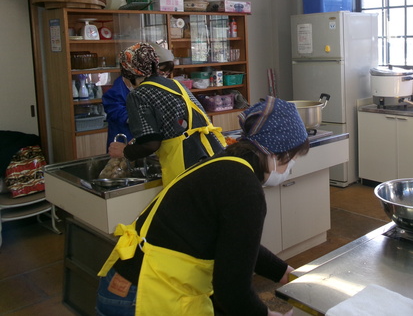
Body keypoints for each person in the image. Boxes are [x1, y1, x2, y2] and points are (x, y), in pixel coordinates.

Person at [96, 96, 310, 316]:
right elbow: (232, 290)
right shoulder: (245, 189)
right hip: (142, 296)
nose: (290, 167)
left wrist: (284, 272)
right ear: (275, 152)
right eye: (291, 159)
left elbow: (237, 246)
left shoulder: (223, 163)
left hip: (123, 284)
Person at [107, 42, 226, 186]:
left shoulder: (139, 94)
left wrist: (125, 151)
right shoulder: (176, 84)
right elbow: (171, 124)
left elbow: (151, 144)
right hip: (213, 153)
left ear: (129, 72)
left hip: (187, 162)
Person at [102, 42, 175, 149]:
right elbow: (117, 112)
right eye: (160, 73)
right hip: (124, 138)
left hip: (148, 141)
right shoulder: (117, 91)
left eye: (166, 74)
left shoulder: (157, 87)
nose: (163, 77)